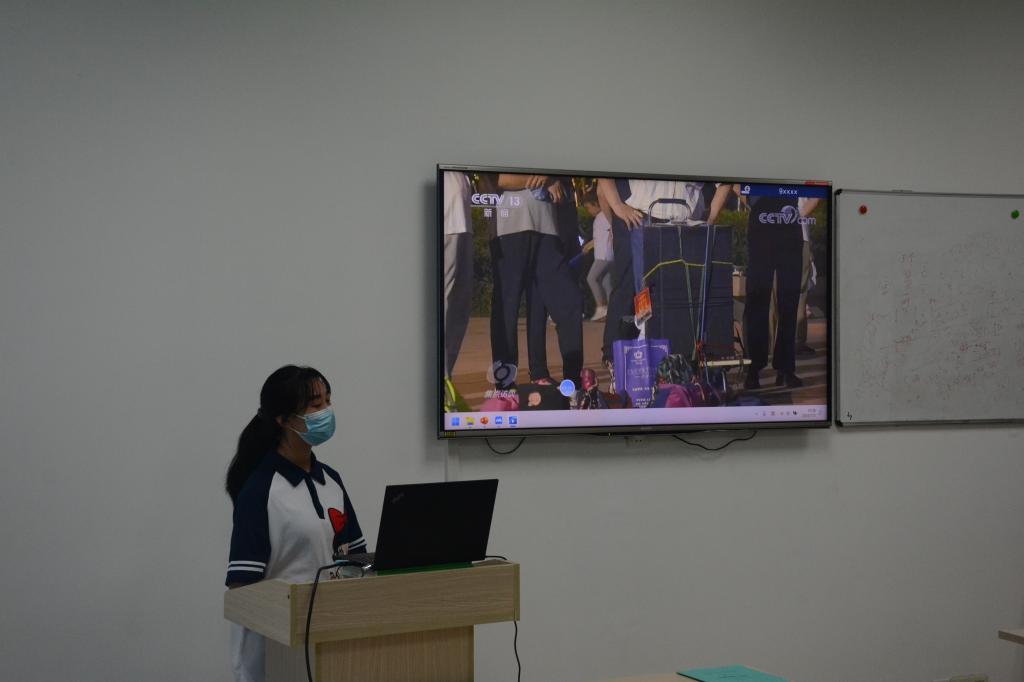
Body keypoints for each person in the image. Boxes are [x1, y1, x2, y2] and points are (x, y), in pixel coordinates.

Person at [225, 366, 366, 682]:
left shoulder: (332, 481)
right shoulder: (259, 490)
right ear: (284, 419)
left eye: (328, 401)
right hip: (274, 654)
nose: (326, 411)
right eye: (316, 405)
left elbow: (356, 560)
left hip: (329, 644)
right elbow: (241, 588)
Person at [584, 187, 613, 322]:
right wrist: (589, 245)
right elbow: (599, 237)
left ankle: (601, 308)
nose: (588, 211)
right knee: (606, 282)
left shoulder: (604, 216)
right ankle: (611, 310)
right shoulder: (601, 217)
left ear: (596, 204)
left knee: (591, 278)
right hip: (606, 255)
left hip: (604, 255)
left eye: (588, 208)